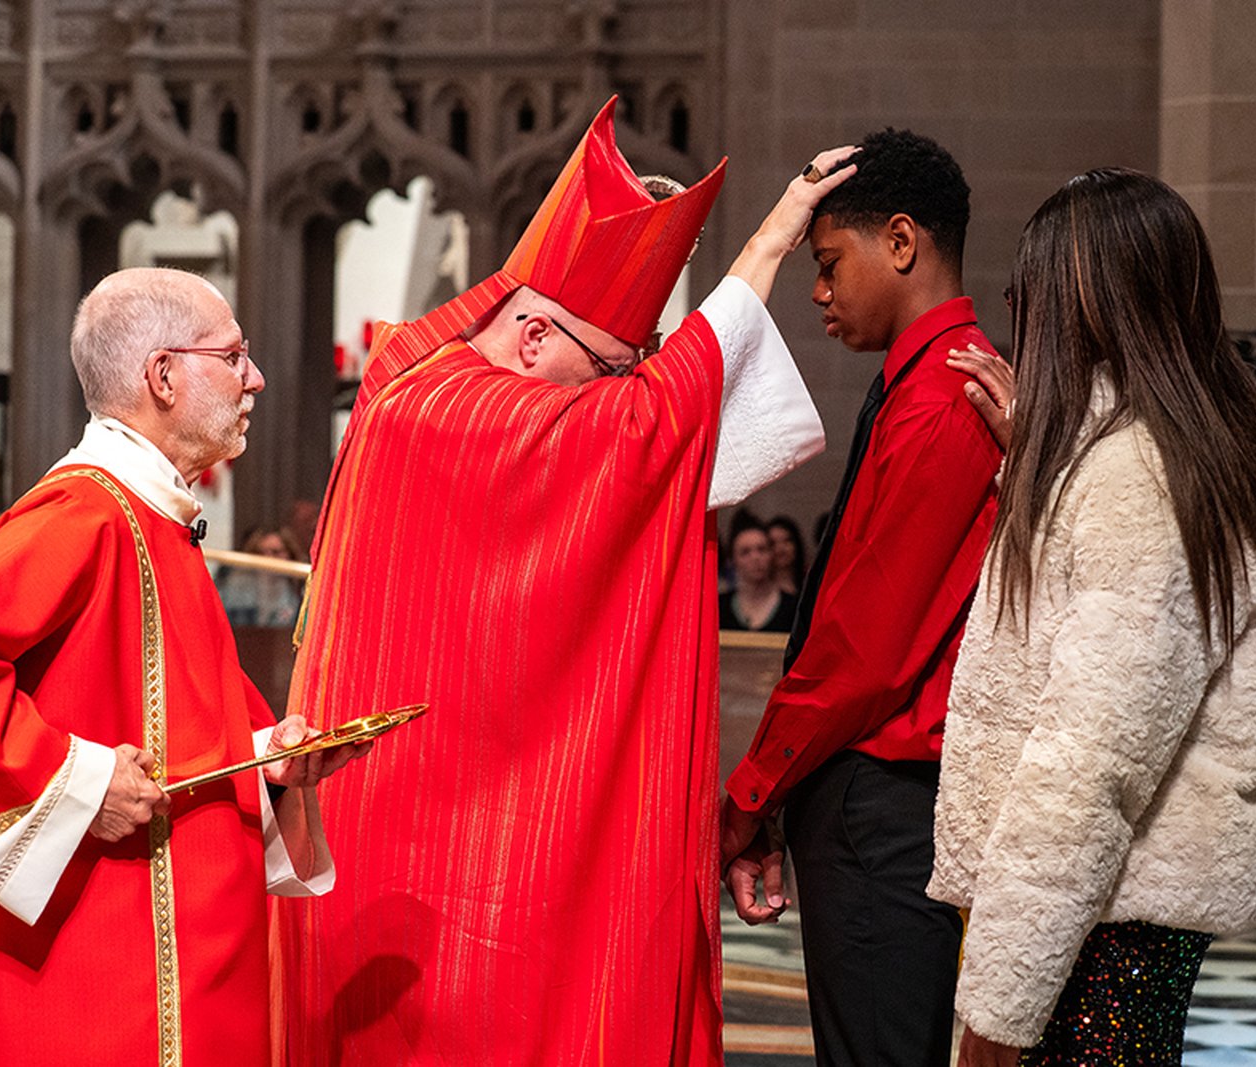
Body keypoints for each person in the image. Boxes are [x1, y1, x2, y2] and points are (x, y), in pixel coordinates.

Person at [277, 98, 847, 1066]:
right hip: (435, 814)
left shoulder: (408, 378)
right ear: (535, 335)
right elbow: (648, 425)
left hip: (402, 803)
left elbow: (634, 400)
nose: (619, 384)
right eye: (611, 364)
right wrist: (768, 240)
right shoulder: (462, 410)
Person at [930, 169, 1256, 1066]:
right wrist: (1042, 463)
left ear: (1086, 311)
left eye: (1034, 301)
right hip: (1098, 932)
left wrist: (995, 1014)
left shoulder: (1138, 483)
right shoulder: (1164, 461)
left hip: (1091, 941)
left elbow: (1087, 772)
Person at [0, 267, 368, 1067]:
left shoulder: (155, 518)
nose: (254, 377)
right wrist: (72, 778)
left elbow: (177, 733)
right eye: (235, 355)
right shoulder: (86, 511)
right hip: (101, 980)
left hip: (186, 962)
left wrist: (273, 759)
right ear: (163, 375)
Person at [720, 128, 1004, 1067]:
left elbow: (863, 643)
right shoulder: (918, 384)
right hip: (868, 791)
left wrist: (754, 790)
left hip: (885, 798)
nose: (818, 290)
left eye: (831, 261)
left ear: (901, 240)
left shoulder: (943, 400)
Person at [720, 510, 798, 632]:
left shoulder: (794, 607)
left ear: (772, 554)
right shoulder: (718, 607)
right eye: (745, 552)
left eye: (762, 549)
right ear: (732, 560)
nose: (755, 558)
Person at [217, 525, 304, 627]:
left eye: (276, 552)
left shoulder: (300, 592)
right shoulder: (235, 590)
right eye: (261, 553)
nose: (268, 558)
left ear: (290, 555)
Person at [765, 513, 806, 594]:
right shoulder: (760, 590)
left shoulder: (812, 583)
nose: (781, 548)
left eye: (787, 540)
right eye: (772, 543)